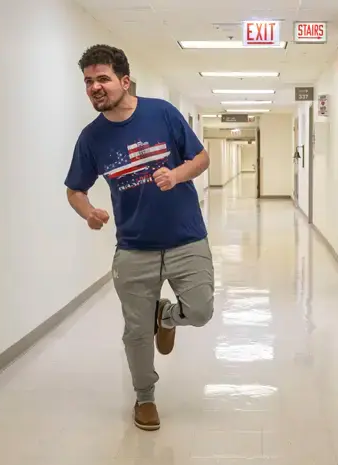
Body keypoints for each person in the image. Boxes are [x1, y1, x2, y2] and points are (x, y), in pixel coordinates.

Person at [65, 44, 214, 432]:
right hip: (133, 247)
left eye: (103, 79)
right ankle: (145, 397)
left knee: (199, 310)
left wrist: (177, 175)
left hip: (186, 238)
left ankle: (165, 316)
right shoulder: (92, 138)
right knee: (135, 331)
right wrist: (89, 213)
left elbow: (201, 158)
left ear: (124, 81)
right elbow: (74, 190)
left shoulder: (162, 113)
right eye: (88, 81)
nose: (95, 87)